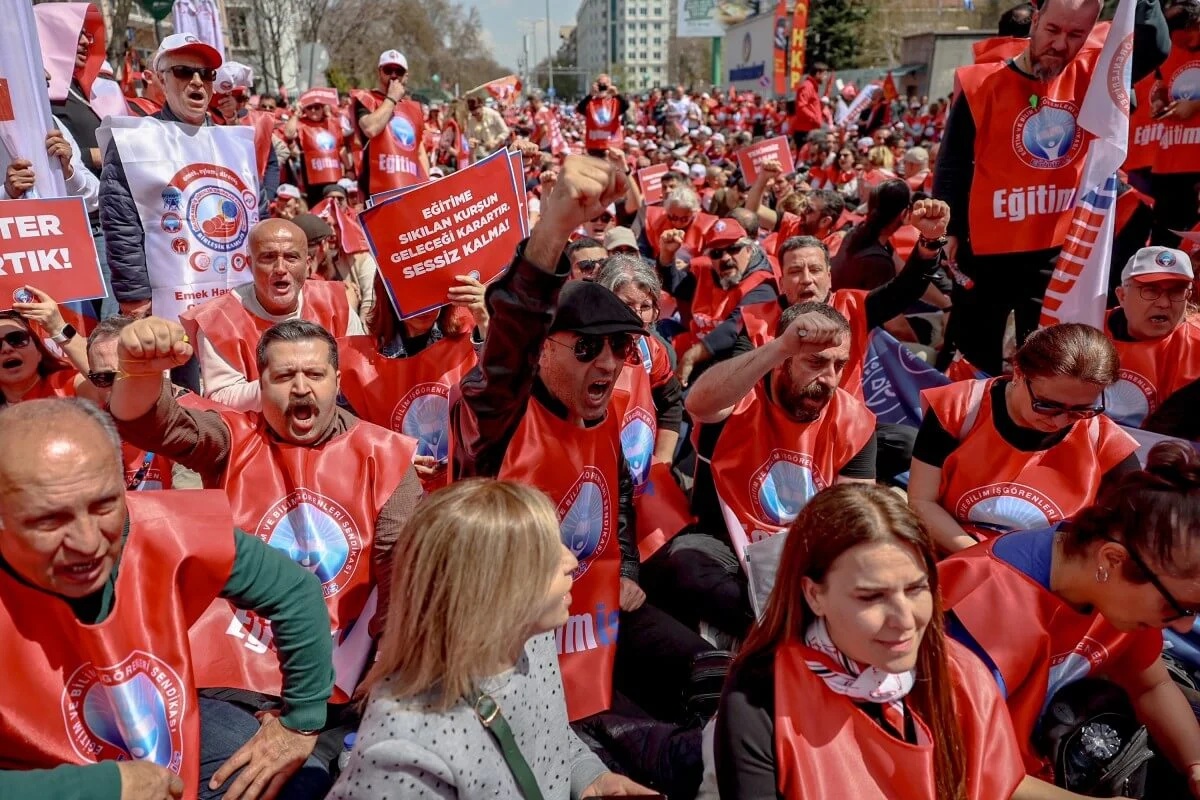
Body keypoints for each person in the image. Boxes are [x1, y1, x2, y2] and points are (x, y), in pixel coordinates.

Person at [450, 155, 715, 796]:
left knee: (726, 677)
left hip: (596, 614)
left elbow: (620, 496)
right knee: (644, 758)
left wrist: (624, 570)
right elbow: (510, 335)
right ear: (546, 349)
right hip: (512, 648)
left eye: (622, 348)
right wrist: (550, 233)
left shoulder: (607, 406)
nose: (610, 363)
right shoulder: (497, 419)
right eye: (589, 346)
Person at [0, 398, 334, 800]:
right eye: (49, 519)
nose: (87, 543)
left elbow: (294, 591)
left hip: (155, 733)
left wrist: (301, 724)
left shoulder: (166, 528)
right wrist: (102, 787)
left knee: (303, 779)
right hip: (33, 772)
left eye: (105, 504)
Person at [329, 479, 656, 799]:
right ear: (489, 587)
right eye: (543, 554)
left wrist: (591, 778)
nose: (571, 561)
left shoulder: (531, 642)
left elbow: (548, 738)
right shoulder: (405, 749)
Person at [714, 484, 1025, 799]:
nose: (905, 620)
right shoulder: (762, 695)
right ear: (813, 595)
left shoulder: (965, 677)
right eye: (871, 597)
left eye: (917, 589)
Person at [940, 442, 1200, 799]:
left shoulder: (1119, 586)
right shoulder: (984, 605)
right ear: (1111, 559)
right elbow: (959, 767)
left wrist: (1195, 766)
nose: (1183, 627)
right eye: (1181, 608)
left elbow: (1151, 685)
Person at [934, 0, 1169, 375]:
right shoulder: (981, 84)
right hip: (985, 250)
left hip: (1054, 252)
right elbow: (952, 163)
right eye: (1053, 30)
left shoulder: (1095, 75)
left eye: (1076, 34)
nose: (1060, 44)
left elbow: (1155, 46)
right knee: (974, 358)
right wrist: (951, 231)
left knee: (1047, 361)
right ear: (1035, 19)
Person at [678, 304, 877, 631]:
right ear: (784, 360)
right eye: (815, 362)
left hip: (805, 551)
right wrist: (781, 345)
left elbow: (851, 518)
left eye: (838, 365)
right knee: (686, 566)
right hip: (728, 541)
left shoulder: (853, 420)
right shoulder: (743, 392)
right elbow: (697, 403)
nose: (828, 378)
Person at [736, 201, 950, 481]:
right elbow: (734, 376)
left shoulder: (854, 306)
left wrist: (930, 241)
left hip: (843, 430)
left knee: (909, 444)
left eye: (814, 270)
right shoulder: (757, 321)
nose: (806, 280)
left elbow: (905, 289)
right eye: (795, 272)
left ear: (829, 275)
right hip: (779, 435)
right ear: (782, 282)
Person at [909, 324, 1140, 555]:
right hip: (958, 554)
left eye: (1081, 410)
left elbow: (1134, 528)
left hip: (1049, 571)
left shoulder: (1106, 442)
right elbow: (922, 501)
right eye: (1047, 405)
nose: (1060, 421)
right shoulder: (958, 409)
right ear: (1019, 372)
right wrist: (986, 558)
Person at [100, 33, 261, 321]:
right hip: (169, 307)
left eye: (206, 74)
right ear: (161, 79)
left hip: (238, 300)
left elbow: (254, 215)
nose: (197, 81)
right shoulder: (135, 141)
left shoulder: (235, 143)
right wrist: (135, 299)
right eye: (184, 72)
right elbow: (121, 226)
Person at [179, 218, 366, 411]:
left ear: (307, 264)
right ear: (249, 264)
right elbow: (222, 398)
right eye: (268, 257)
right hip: (256, 436)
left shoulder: (336, 304)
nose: (280, 269)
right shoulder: (217, 319)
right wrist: (291, 383)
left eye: (291, 257)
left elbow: (358, 376)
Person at [338, 272, 486, 492]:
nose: (424, 304)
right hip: (401, 500)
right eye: (412, 291)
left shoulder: (474, 337)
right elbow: (346, 444)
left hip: (470, 494)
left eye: (431, 290)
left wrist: (489, 322)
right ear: (388, 294)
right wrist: (393, 458)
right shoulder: (354, 361)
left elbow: (509, 385)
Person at [1100, 246, 1200, 428]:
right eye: (1150, 290)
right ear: (1122, 296)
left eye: (1176, 292)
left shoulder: (1196, 352)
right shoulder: (1085, 327)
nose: (1164, 303)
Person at [674, 219, 779, 387]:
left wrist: (691, 356)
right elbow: (677, 286)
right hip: (696, 343)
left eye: (733, 249)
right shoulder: (708, 271)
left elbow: (733, 328)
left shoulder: (763, 285)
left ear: (749, 249)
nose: (725, 258)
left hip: (729, 360)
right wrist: (666, 257)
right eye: (717, 253)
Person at [1148, 0, 1200, 248]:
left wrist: (1196, 105)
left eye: (1180, 38)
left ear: (1195, 25)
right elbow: (1162, 85)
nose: (1176, 44)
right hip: (1169, 164)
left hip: (1196, 163)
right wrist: (1159, 101)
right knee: (1166, 240)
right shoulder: (1169, 50)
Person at [351, 49, 429, 195]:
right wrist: (392, 98)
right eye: (388, 70)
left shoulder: (413, 108)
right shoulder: (366, 98)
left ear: (406, 76)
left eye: (398, 71)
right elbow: (370, 128)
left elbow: (419, 152)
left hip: (407, 188)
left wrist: (426, 184)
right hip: (376, 190)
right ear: (379, 72)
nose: (393, 76)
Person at [0, 289, 90, 404]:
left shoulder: (67, 384)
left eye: (17, 339)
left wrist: (58, 327)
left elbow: (105, 388)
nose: (7, 349)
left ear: (39, 352)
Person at [286, 91, 351, 207]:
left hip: (333, 176)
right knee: (316, 208)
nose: (313, 111)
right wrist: (296, 114)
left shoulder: (332, 123)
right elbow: (289, 134)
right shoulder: (301, 124)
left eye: (317, 107)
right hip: (312, 179)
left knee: (336, 206)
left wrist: (349, 169)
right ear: (304, 110)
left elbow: (341, 148)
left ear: (323, 108)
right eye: (309, 108)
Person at [577, 74, 629, 157]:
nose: (602, 87)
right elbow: (579, 108)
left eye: (605, 84)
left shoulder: (615, 102)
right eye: (600, 84)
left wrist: (617, 94)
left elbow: (626, 106)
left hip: (612, 145)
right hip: (594, 146)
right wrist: (590, 94)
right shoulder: (590, 102)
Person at [789, 61, 832, 149]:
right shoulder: (807, 86)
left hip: (811, 129)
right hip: (805, 131)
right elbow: (801, 107)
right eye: (824, 74)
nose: (825, 77)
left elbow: (810, 106)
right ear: (817, 73)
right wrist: (815, 118)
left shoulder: (812, 87)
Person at [465, 95, 511, 162]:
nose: (476, 117)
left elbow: (505, 131)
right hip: (479, 155)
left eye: (477, 114)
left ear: (481, 107)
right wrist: (471, 140)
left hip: (495, 153)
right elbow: (468, 135)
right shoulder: (470, 118)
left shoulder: (493, 114)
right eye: (473, 115)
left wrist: (495, 142)